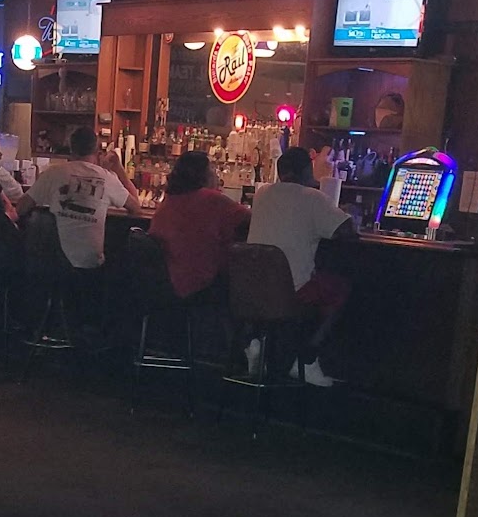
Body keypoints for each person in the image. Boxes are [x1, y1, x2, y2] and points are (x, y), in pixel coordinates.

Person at [246, 146, 354, 387]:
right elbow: (346, 230)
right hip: (292, 293)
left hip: (252, 291)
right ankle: (306, 357)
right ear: (307, 170)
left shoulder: (262, 194)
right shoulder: (313, 197)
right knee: (339, 288)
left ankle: (256, 341)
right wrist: (342, 212)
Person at [26, 126, 132, 271]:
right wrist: (119, 169)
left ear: (71, 149)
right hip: (93, 268)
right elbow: (136, 207)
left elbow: (22, 206)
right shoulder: (106, 177)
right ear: (97, 152)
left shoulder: (53, 173)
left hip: (56, 267)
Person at [147, 150, 248, 300]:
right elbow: (251, 218)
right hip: (200, 285)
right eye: (212, 170)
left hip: (167, 286)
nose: (216, 176)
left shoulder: (167, 202)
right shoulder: (211, 199)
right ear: (203, 175)